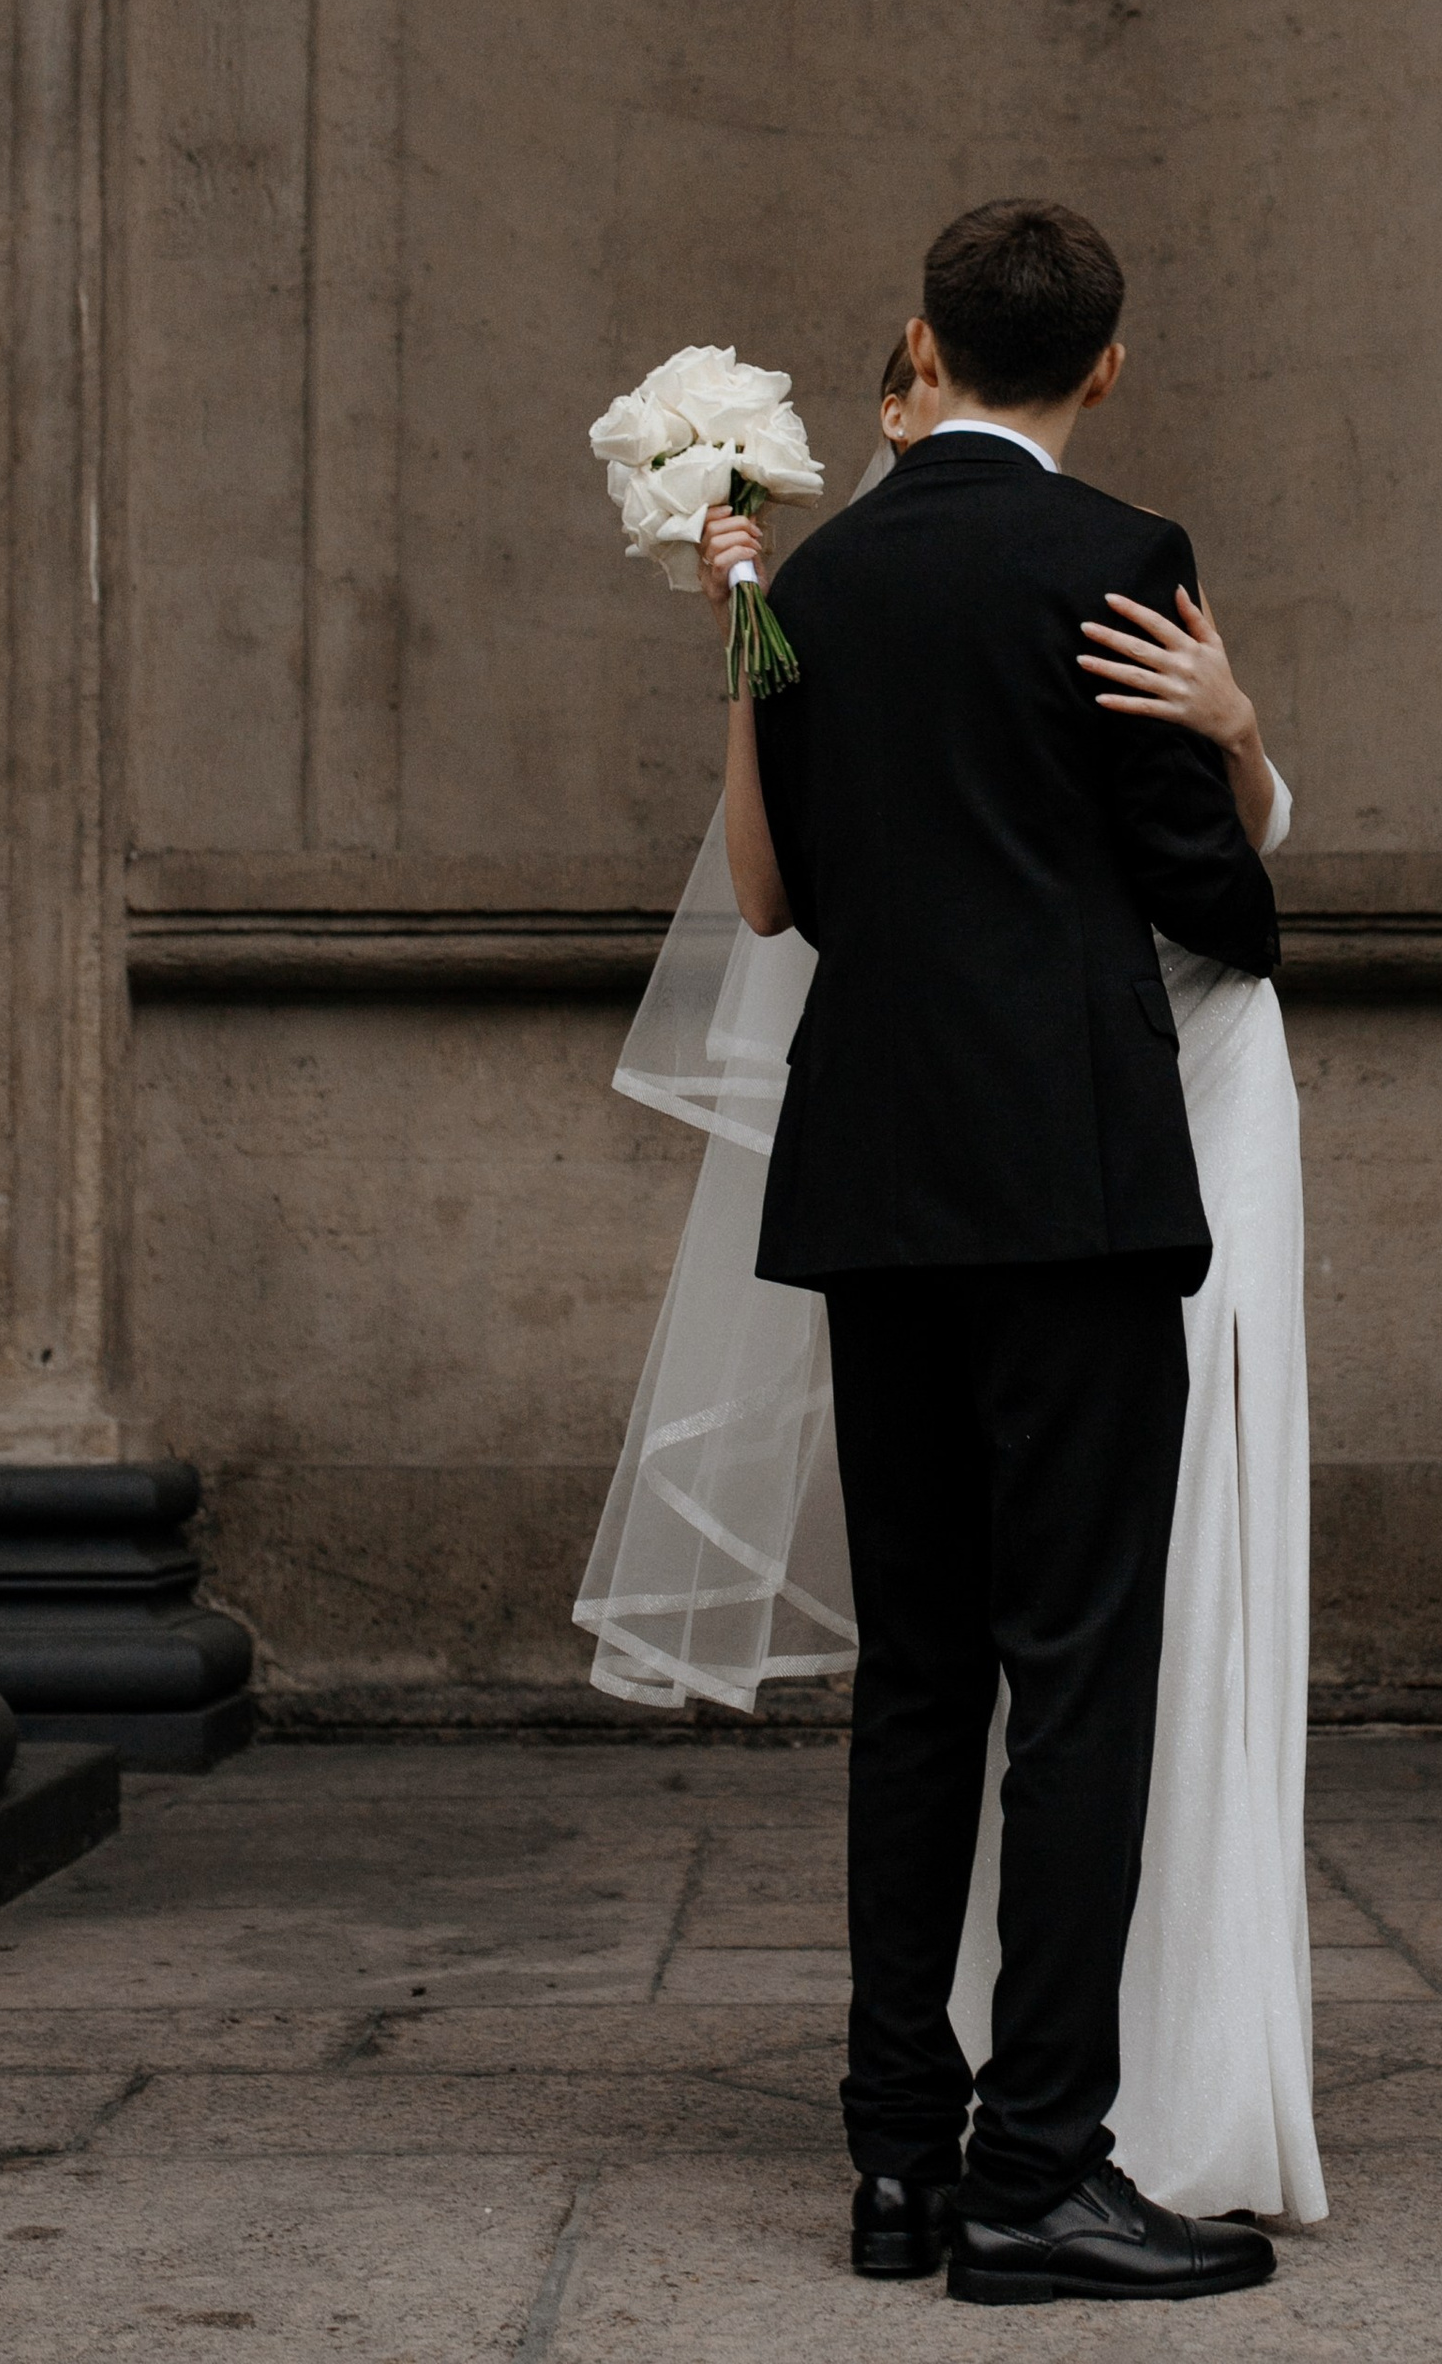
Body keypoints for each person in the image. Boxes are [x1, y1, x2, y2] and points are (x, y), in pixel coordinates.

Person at [590, 203, 1310, 2306]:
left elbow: (776, 898)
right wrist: (1238, 732)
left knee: (916, 1683)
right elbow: (1221, 909)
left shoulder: (811, 581)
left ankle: (894, 2161)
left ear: (918, 343)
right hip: (1076, 1196)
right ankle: (1039, 2172)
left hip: (875, 1195)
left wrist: (737, 619)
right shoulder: (1118, 560)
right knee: (1075, 1681)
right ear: (1106, 365)